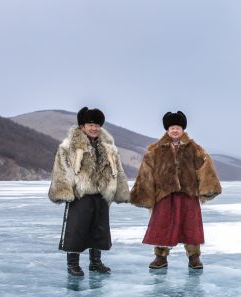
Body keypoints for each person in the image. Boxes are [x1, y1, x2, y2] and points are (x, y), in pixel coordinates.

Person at [130, 110, 221, 269]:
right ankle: (160, 257)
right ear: (167, 130)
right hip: (164, 194)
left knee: (191, 226)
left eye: (178, 127)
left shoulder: (194, 148)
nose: (175, 130)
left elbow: (205, 166)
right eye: (172, 127)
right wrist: (143, 193)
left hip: (188, 194)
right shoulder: (156, 150)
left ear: (183, 129)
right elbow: (146, 171)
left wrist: (208, 186)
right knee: (162, 225)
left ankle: (194, 257)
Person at [49, 107, 130, 276]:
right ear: (82, 126)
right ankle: (73, 264)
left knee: (98, 230)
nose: (94, 128)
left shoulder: (109, 147)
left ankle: (95, 262)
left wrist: (121, 190)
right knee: (77, 229)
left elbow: (118, 170)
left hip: (101, 195)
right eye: (90, 124)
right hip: (81, 194)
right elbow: (61, 169)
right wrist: (63, 191)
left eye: (97, 125)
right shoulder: (69, 147)